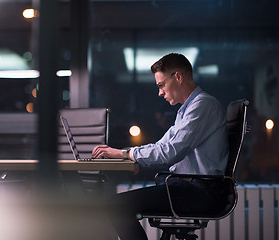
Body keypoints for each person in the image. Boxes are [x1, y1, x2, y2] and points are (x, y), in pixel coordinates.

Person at [92, 53, 229, 240]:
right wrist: (131, 156)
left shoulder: (203, 106)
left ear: (178, 77)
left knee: (117, 206)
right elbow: (161, 147)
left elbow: (168, 152)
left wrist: (125, 154)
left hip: (199, 192)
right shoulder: (187, 110)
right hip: (188, 187)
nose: (160, 92)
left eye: (161, 85)